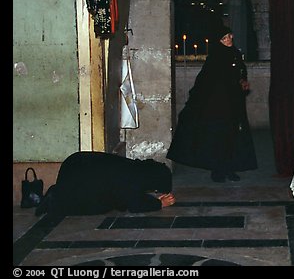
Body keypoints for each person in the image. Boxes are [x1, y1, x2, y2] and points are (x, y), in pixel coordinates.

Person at [167, 25, 258, 182]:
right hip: (218, 106)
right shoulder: (215, 57)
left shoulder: (235, 54)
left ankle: (230, 168)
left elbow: (240, 72)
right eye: (224, 38)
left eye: (229, 36)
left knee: (233, 136)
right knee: (218, 137)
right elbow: (206, 80)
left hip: (234, 104)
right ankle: (218, 170)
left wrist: (242, 81)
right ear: (219, 41)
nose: (228, 39)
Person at [35, 151, 175, 216]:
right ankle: (56, 202)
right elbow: (133, 203)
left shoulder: (131, 167)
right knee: (102, 205)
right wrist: (158, 204)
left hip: (74, 166)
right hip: (78, 182)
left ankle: (58, 194)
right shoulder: (132, 177)